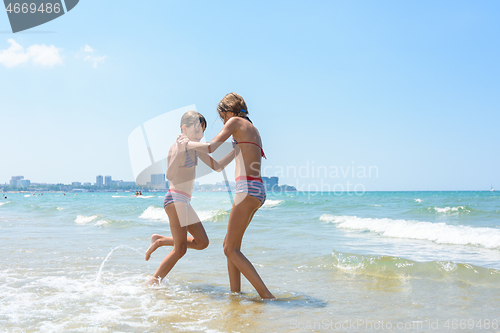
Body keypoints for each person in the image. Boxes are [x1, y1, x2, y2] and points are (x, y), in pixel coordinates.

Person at [184, 93, 274, 299]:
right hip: (258, 191)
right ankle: (236, 295)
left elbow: (210, 147)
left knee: (230, 248)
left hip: (246, 190)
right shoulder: (251, 130)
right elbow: (217, 166)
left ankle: (266, 296)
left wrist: (187, 144)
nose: (224, 121)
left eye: (222, 116)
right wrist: (198, 152)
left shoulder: (236, 122)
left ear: (229, 111)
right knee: (230, 246)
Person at [145, 110, 235, 285]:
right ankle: (154, 280)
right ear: (184, 129)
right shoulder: (176, 147)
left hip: (184, 201)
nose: (199, 136)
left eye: (201, 132)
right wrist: (179, 151)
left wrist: (236, 151)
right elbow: (170, 175)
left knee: (202, 242)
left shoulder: (194, 148)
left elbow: (217, 166)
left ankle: (160, 241)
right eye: (196, 132)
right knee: (180, 250)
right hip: (174, 198)